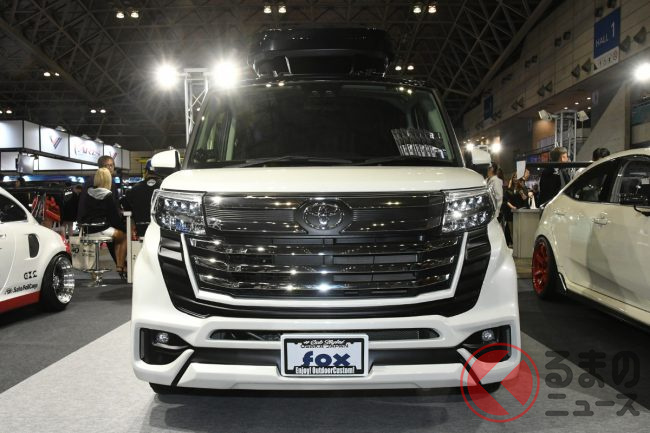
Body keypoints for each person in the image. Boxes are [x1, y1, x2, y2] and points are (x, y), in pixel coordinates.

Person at [79, 168, 127, 278]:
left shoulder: (88, 192)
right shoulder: (107, 194)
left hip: (88, 229)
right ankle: (120, 266)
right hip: (101, 229)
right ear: (107, 180)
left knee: (117, 235)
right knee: (123, 235)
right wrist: (123, 228)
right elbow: (113, 218)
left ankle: (94, 273)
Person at [122, 160, 162, 238]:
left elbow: (127, 207)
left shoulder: (134, 189)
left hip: (141, 230)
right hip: (160, 232)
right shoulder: (164, 188)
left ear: (146, 172)